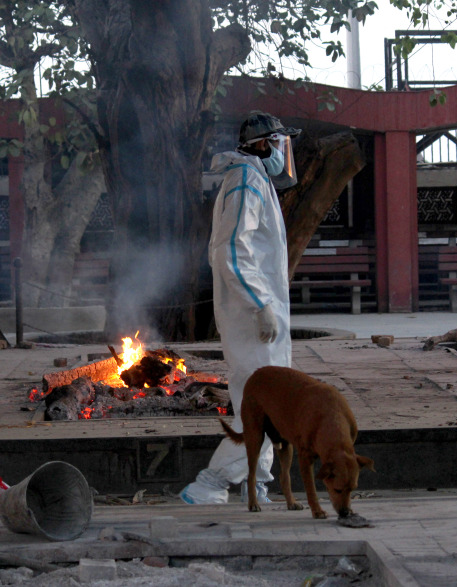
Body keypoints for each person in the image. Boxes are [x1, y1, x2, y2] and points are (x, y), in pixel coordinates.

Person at [180, 111, 301, 505]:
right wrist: (260, 303)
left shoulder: (255, 179)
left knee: (270, 403)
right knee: (261, 404)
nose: (284, 153)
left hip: (260, 312)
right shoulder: (246, 180)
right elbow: (230, 249)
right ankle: (211, 483)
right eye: (280, 143)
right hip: (251, 314)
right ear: (264, 144)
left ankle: (255, 482)